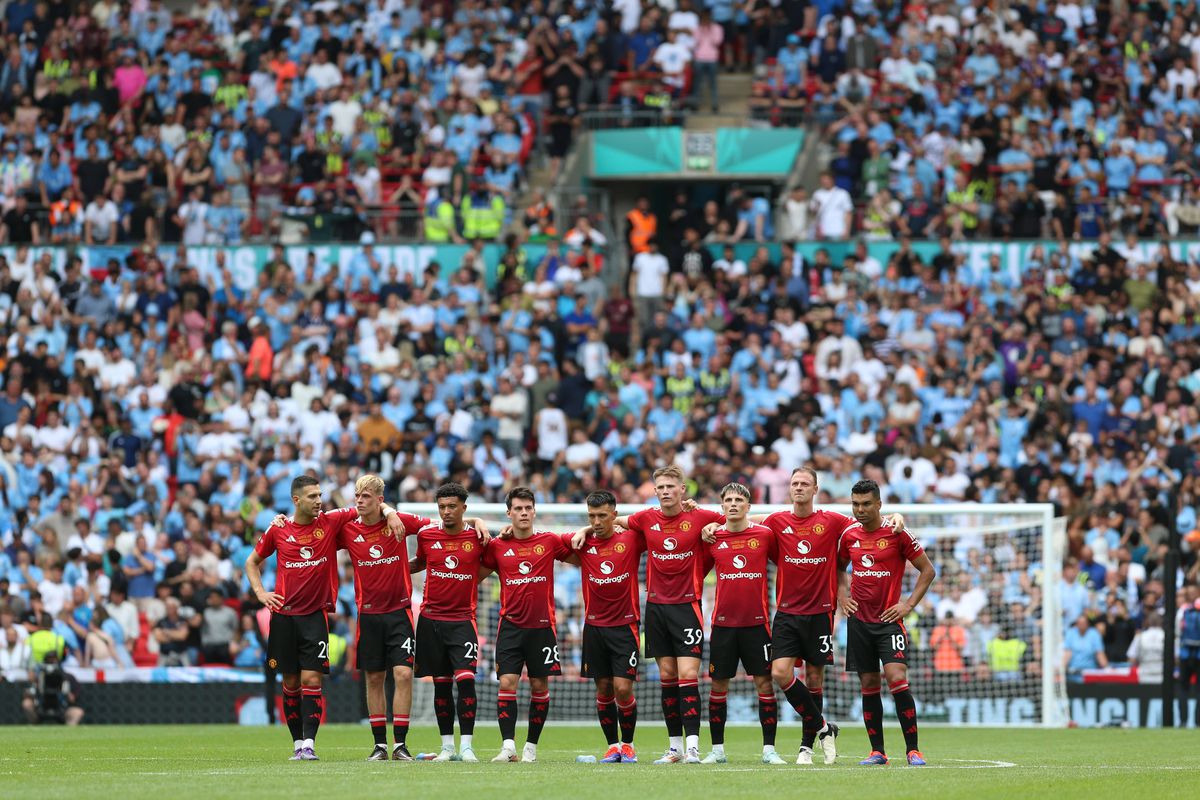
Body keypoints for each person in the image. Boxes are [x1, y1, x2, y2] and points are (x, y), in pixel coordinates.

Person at [573, 464, 723, 764]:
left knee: (689, 675)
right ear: (655, 492)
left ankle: (693, 747)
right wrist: (584, 528)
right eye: (661, 487)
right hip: (654, 607)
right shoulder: (644, 519)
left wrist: (712, 524)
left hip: (687, 605)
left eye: (671, 486)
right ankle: (674, 749)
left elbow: (739, 520)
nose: (666, 492)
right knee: (667, 676)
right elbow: (610, 522)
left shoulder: (701, 516)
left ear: (683, 489)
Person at [245, 475, 402, 761]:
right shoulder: (278, 529)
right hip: (283, 617)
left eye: (320, 495)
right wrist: (260, 593)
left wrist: (390, 512)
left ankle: (309, 743)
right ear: (296, 500)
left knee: (312, 679)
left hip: (315, 617)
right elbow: (252, 562)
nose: (319, 501)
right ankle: (296, 745)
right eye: (312, 496)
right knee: (291, 682)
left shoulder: (330, 522)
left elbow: (370, 504)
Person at [838, 479, 936, 767]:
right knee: (868, 683)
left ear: (879, 504)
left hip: (889, 622)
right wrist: (842, 596)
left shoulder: (898, 533)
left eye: (866, 504)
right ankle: (877, 751)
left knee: (896, 678)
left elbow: (927, 571)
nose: (860, 509)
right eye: (856, 504)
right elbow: (838, 567)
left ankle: (913, 750)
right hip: (858, 623)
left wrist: (907, 605)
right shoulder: (848, 535)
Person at [699, 483, 785, 765]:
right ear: (721, 506)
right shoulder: (712, 538)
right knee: (718, 685)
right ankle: (718, 750)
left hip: (757, 624)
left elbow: (785, 562)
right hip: (723, 625)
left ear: (748, 506)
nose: (733, 504)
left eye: (739, 500)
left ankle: (769, 750)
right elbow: (696, 572)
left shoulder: (764, 535)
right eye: (728, 500)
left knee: (764, 683)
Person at [484, 487, 573, 763]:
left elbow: (584, 558)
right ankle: (508, 746)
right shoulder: (497, 546)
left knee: (538, 685)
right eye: (518, 509)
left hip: (543, 627)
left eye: (528, 508)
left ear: (534, 511)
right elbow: (473, 575)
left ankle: (531, 747)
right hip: (510, 626)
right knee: (507, 682)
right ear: (509, 513)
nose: (524, 513)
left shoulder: (549, 541)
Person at [568, 490, 645, 763]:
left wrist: (585, 527)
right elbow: (544, 541)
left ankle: (629, 744)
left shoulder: (632, 538)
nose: (597, 521)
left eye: (602, 515)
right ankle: (613, 746)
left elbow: (656, 524)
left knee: (623, 688)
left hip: (625, 626)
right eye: (592, 516)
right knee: (603, 688)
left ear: (615, 514)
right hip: (594, 627)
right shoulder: (582, 543)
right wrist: (583, 529)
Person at [412, 483, 487, 762]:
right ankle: (446, 747)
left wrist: (479, 522)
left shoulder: (478, 536)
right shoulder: (427, 535)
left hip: (462, 621)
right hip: (430, 620)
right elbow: (419, 562)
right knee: (441, 684)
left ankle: (466, 746)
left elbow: (493, 560)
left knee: (466, 681)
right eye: (442, 506)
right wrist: (393, 567)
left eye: (452, 506)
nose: (446, 511)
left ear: (463, 508)